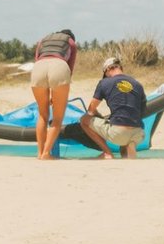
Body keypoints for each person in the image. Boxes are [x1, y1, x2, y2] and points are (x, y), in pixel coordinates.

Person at [78, 56, 147, 159]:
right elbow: (142, 111)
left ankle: (107, 153)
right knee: (125, 132)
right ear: (120, 68)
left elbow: (91, 110)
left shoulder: (104, 83)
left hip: (118, 133)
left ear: (108, 69)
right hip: (139, 133)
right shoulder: (137, 84)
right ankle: (130, 144)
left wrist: (98, 115)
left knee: (84, 120)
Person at [29, 29, 77, 160]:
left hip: (38, 68)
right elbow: (70, 67)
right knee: (57, 118)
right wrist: (56, 95)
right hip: (59, 67)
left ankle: (40, 153)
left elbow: (37, 58)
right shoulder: (71, 42)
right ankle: (46, 153)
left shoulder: (43, 40)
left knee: (42, 115)